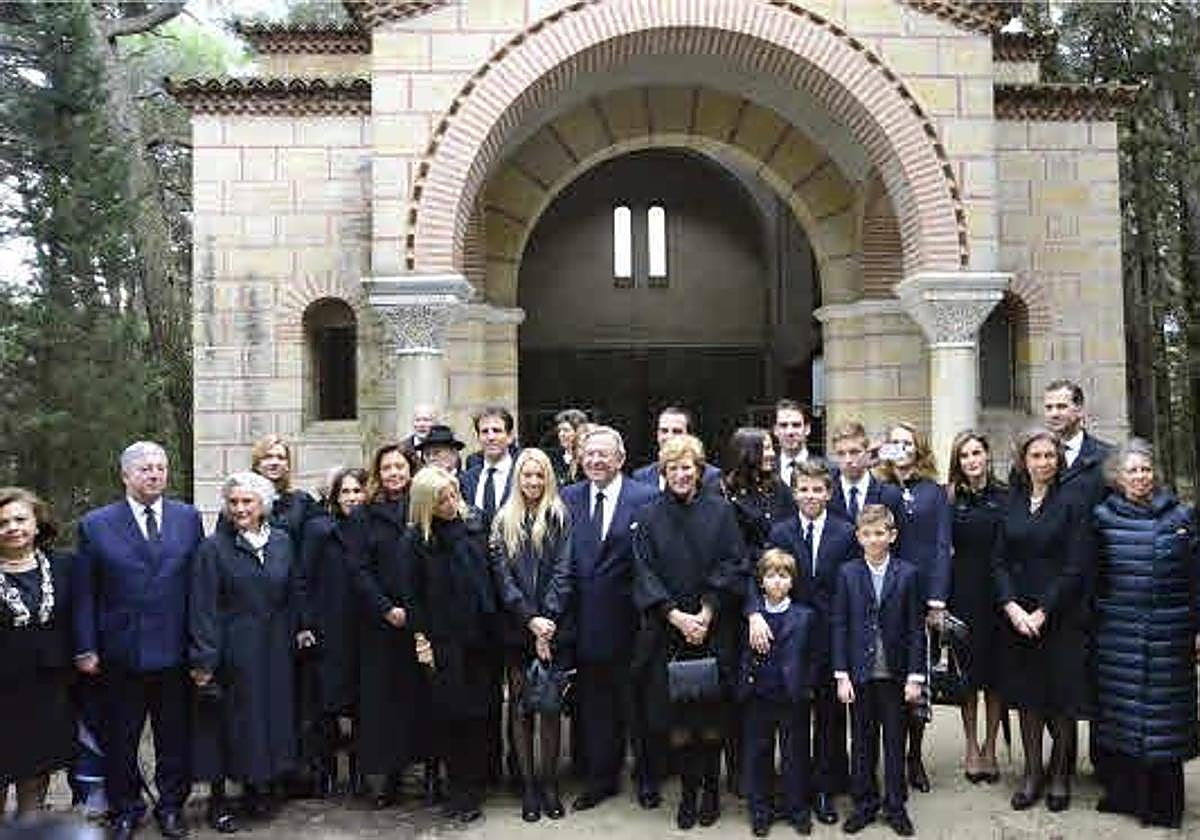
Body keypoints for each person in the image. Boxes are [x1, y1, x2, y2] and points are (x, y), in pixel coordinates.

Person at [73, 441, 203, 840]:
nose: (154, 474)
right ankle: (125, 808)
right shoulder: (96, 524)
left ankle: (171, 807)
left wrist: (201, 649)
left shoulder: (188, 518)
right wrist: (85, 646)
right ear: (125, 475)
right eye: (145, 468)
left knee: (174, 737)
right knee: (121, 738)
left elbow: (198, 587)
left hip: (175, 652)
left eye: (161, 468)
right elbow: (84, 593)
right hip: (120, 653)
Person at [631, 434, 746, 830]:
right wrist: (676, 615)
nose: (681, 474)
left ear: (699, 471)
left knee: (711, 719)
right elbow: (642, 572)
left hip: (713, 628)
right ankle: (688, 794)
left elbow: (735, 564)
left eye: (688, 467)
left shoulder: (721, 511)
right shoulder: (648, 516)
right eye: (673, 468)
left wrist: (707, 610)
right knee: (678, 721)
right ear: (663, 472)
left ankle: (712, 792)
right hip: (668, 631)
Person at [189, 472, 314, 833]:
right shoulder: (212, 549)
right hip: (232, 649)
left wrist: (301, 628)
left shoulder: (281, 541)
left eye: (248, 502)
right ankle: (217, 800)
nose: (240, 508)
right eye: (234, 502)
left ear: (263, 506)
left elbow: (293, 591)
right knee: (228, 725)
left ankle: (258, 789)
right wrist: (204, 660)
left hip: (274, 646)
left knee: (267, 722)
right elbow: (203, 607)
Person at [1092, 439, 1199, 829]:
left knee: (1165, 722)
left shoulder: (1182, 516)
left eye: (1145, 469)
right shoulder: (1103, 517)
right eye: (1132, 470)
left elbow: (1195, 576)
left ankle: (1165, 807)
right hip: (1118, 634)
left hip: (1170, 632)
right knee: (1122, 719)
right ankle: (1125, 797)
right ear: (1117, 478)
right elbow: (1097, 579)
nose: (1140, 476)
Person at [749, 460, 858, 825]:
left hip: (829, 639)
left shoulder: (845, 533)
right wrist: (755, 613)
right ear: (793, 492)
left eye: (818, 490)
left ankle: (823, 791)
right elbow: (761, 575)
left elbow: (851, 587)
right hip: (788, 642)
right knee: (791, 721)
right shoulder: (781, 531)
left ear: (829, 493)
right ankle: (787, 791)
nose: (810, 496)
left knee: (828, 720)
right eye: (803, 489)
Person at [992, 427, 1093, 813]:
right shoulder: (1012, 502)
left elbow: (1075, 565)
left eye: (1050, 455)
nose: (1043, 462)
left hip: (1059, 615)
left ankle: (1060, 777)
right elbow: (998, 560)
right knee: (1028, 697)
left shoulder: (1072, 501)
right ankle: (1032, 774)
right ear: (1024, 460)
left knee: (1061, 699)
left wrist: (1043, 610)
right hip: (1017, 617)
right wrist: (1012, 607)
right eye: (1036, 456)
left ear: (1059, 460)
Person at [560, 426, 657, 810]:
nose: (596, 460)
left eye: (604, 454)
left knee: (640, 709)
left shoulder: (646, 497)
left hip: (634, 623)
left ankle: (647, 778)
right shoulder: (567, 498)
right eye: (590, 454)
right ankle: (602, 780)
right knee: (596, 709)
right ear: (581, 459)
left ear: (620, 458)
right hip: (587, 623)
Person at [407, 466, 498, 823]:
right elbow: (413, 596)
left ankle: (474, 788)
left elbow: (488, 580)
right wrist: (420, 640)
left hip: (480, 639)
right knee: (451, 718)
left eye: (453, 495)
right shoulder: (415, 540)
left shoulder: (474, 528)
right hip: (443, 643)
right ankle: (457, 787)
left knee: (479, 716)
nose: (449, 503)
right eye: (441, 498)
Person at [488, 448, 573, 822]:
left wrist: (548, 619)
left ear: (548, 478)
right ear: (518, 479)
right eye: (527, 476)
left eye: (540, 476)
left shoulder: (560, 516)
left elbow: (564, 572)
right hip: (516, 629)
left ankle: (550, 783)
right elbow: (502, 580)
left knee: (551, 709)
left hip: (554, 627)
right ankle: (528, 787)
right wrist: (529, 620)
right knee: (521, 709)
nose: (534, 482)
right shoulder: (501, 520)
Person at [344, 443, 429, 808]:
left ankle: (427, 773)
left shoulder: (423, 506)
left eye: (400, 466)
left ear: (411, 469)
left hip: (421, 622)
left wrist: (419, 611)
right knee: (382, 703)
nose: (394, 473)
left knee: (420, 699)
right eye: (387, 468)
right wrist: (386, 608)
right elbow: (357, 569)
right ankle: (386, 777)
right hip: (379, 624)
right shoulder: (364, 515)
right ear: (378, 474)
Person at [832, 504, 925, 837]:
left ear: (892, 535)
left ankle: (895, 806)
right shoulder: (847, 573)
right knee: (862, 740)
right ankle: (864, 804)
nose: (874, 539)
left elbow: (916, 628)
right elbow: (840, 624)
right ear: (858, 537)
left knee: (895, 741)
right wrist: (841, 674)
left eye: (880, 533)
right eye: (867, 534)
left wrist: (916, 676)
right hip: (860, 674)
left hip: (896, 675)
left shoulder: (908, 573)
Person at [874, 422, 950, 793]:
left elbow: (941, 546)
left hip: (921, 600)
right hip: (885, 597)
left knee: (917, 682)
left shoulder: (934, 493)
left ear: (918, 449)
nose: (901, 449)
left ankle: (914, 757)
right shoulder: (880, 489)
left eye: (907, 443)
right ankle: (888, 758)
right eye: (895, 442)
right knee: (887, 681)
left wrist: (937, 599)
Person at [0, 488, 75, 818]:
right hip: (2, 690)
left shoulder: (65, 566)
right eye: (2, 522)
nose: (12, 527)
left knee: (35, 773)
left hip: (47, 689)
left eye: (20, 519)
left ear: (37, 522)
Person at [299, 467, 368, 797]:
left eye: (357, 491)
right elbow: (303, 580)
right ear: (334, 497)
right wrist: (306, 623)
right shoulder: (318, 530)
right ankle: (324, 771)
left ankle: (359, 770)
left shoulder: (370, 528)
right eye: (345, 492)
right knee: (326, 704)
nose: (352, 498)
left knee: (361, 705)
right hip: (329, 627)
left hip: (363, 628)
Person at [739, 549, 817, 837]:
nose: (777, 582)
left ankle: (797, 808)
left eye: (783, 576)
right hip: (758, 696)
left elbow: (812, 657)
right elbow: (742, 654)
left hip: (792, 697)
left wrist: (806, 687)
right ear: (761, 581)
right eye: (771, 576)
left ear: (792, 582)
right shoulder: (750, 618)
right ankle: (761, 811)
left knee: (795, 755)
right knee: (759, 754)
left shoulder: (804, 616)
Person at [946, 431, 1007, 784]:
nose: (971, 460)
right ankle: (970, 746)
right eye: (964, 455)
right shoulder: (950, 497)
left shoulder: (1006, 495)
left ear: (987, 455)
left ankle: (990, 747)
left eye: (977, 453)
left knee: (995, 678)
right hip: (963, 593)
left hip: (998, 595)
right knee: (967, 677)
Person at [1042, 379, 1112, 511]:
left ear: (1079, 410)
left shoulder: (1107, 457)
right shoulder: (1030, 458)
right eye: (1049, 408)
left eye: (1061, 407)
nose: (1054, 414)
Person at [250, 434, 320, 546]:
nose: (274, 462)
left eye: (280, 458)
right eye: (268, 457)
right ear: (257, 464)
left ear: (287, 465)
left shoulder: (302, 501)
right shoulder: (241, 501)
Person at [827, 421, 902, 524]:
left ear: (867, 453)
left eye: (854, 452)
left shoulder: (890, 494)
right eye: (841, 454)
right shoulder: (825, 490)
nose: (848, 460)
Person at [632, 407, 720, 490]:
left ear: (689, 435)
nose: (669, 437)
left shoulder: (710, 476)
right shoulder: (641, 477)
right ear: (657, 434)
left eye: (677, 431)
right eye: (664, 431)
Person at [461, 406, 519, 532]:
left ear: (509, 437)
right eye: (485, 431)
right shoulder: (466, 479)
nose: (491, 437)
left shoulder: (522, 475)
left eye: (497, 431)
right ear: (478, 437)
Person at [774, 400, 816, 491]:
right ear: (775, 430)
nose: (790, 432)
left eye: (796, 425)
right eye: (783, 425)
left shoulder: (828, 470)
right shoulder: (767, 470)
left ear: (807, 429)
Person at [547, 408, 588, 487]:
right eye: (559, 431)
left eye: (566, 430)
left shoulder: (588, 458)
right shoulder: (554, 458)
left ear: (579, 431)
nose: (561, 434)